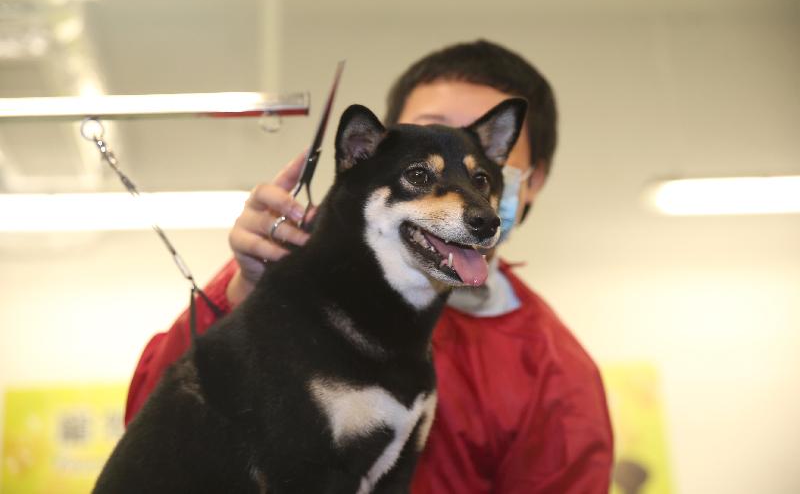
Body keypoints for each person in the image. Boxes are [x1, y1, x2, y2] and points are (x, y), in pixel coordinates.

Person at [124, 40, 614, 493]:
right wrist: (242, 295)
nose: (461, 183)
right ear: (373, 146)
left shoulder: (555, 374)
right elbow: (150, 435)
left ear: (531, 180)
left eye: (483, 167)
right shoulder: (274, 285)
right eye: (426, 162)